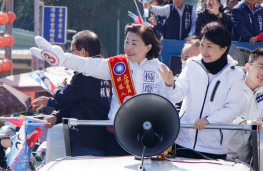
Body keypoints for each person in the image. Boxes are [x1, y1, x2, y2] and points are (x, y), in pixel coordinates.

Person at [30, 24, 170, 155]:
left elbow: (172, 99)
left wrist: (170, 85)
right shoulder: (117, 65)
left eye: (134, 43)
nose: (128, 47)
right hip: (116, 137)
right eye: (127, 42)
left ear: (148, 47)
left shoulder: (160, 69)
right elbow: (88, 65)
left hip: (147, 136)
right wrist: (63, 59)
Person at [159, 22, 245, 159]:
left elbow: (234, 108)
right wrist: (170, 84)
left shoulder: (236, 75)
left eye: (209, 46)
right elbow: (178, 94)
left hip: (215, 147)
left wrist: (209, 120)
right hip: (183, 141)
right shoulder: (192, 64)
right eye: (202, 45)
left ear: (223, 49)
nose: (204, 51)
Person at [38, 30, 111, 157]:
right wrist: (56, 114)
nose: (70, 55)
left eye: (72, 51)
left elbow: (63, 97)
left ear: (83, 52)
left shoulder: (85, 73)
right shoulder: (105, 69)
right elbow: (78, 102)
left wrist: (60, 85)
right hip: (100, 140)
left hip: (86, 142)